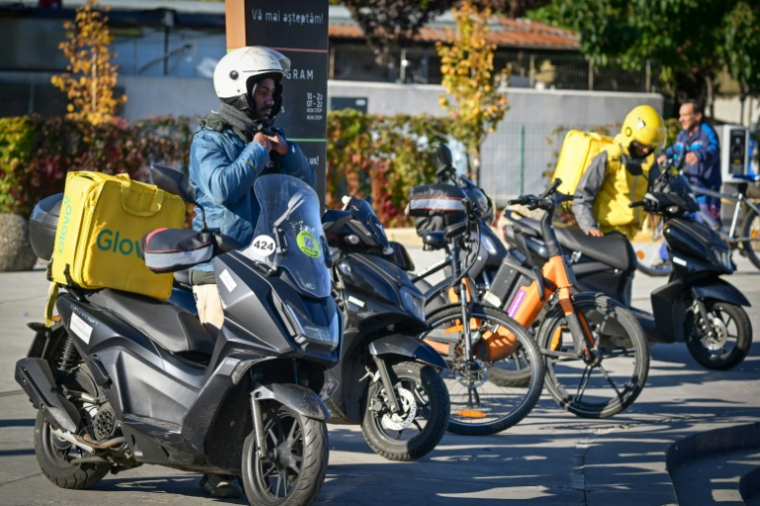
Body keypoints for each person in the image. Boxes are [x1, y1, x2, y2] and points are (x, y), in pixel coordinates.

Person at [187, 46, 316, 498]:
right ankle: (211, 458)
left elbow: (304, 186)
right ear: (238, 90)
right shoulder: (210, 138)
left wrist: (289, 151)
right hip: (214, 262)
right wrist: (258, 153)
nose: (269, 98)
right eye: (261, 89)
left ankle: (264, 447)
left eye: (272, 90)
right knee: (223, 357)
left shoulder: (267, 138)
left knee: (269, 356)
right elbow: (222, 188)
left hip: (260, 263)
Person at [572, 104, 666, 240]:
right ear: (629, 135)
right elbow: (582, 195)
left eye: (650, 147)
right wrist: (589, 227)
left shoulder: (649, 160)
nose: (646, 151)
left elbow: (659, 190)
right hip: (606, 233)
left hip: (631, 232)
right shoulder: (610, 157)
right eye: (641, 145)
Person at [657, 99, 722, 220]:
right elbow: (674, 150)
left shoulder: (707, 132)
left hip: (707, 193)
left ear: (697, 116)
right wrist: (664, 156)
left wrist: (699, 155)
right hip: (688, 192)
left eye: (685, 115)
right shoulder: (682, 136)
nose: (680, 119)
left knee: (709, 232)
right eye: (680, 115)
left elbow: (714, 149)